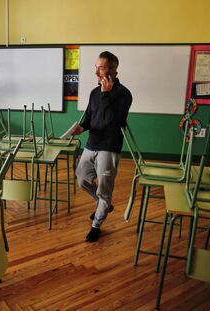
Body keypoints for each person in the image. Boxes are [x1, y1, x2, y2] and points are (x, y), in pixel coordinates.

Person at [72, 51, 132, 242]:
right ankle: (101, 203)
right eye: (96, 67)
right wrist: (82, 127)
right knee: (81, 178)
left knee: (105, 189)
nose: (97, 72)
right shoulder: (94, 93)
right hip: (92, 144)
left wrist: (106, 95)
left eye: (102, 68)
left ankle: (96, 224)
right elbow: (90, 117)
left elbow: (111, 121)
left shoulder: (123, 94)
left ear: (113, 70)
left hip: (109, 146)